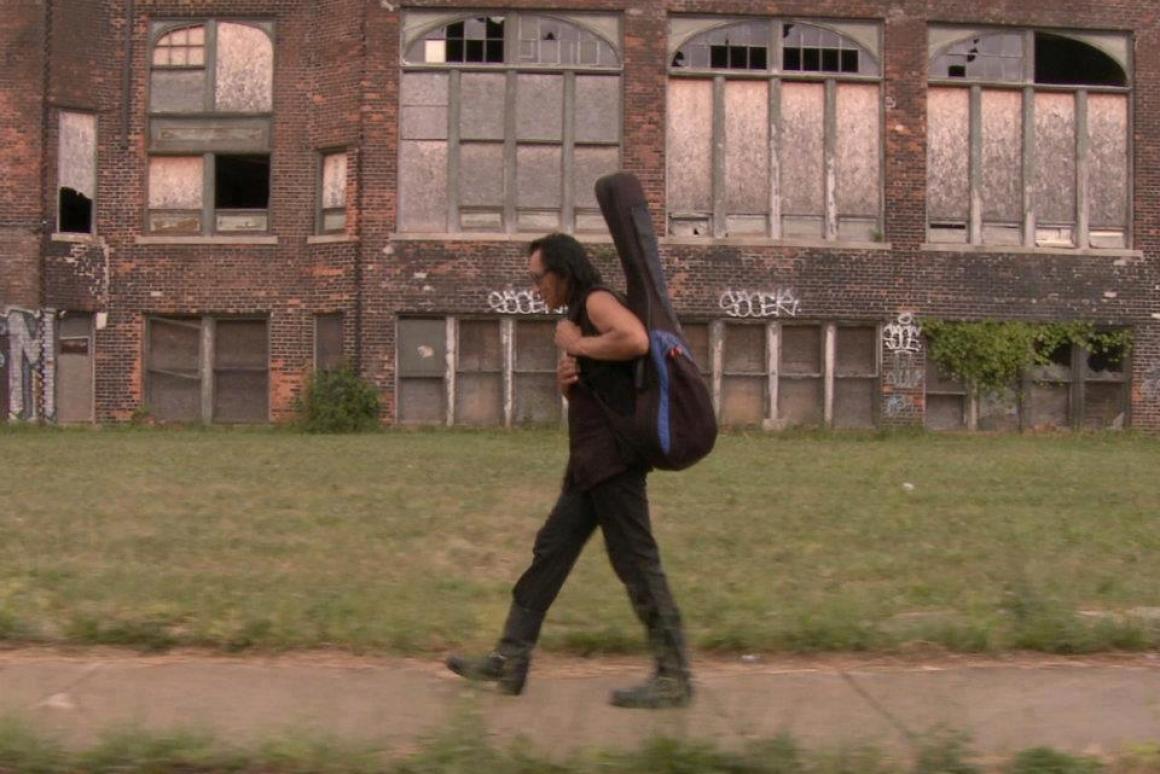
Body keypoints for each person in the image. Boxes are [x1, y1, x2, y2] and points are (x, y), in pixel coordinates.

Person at [446, 233, 692, 709]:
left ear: (562, 272)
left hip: (613, 465)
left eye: (539, 278)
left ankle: (675, 677)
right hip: (589, 466)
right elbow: (604, 384)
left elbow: (635, 339)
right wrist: (569, 384)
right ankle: (510, 659)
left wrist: (579, 343)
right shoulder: (578, 314)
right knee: (550, 552)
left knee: (637, 563)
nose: (535, 287)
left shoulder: (596, 301)